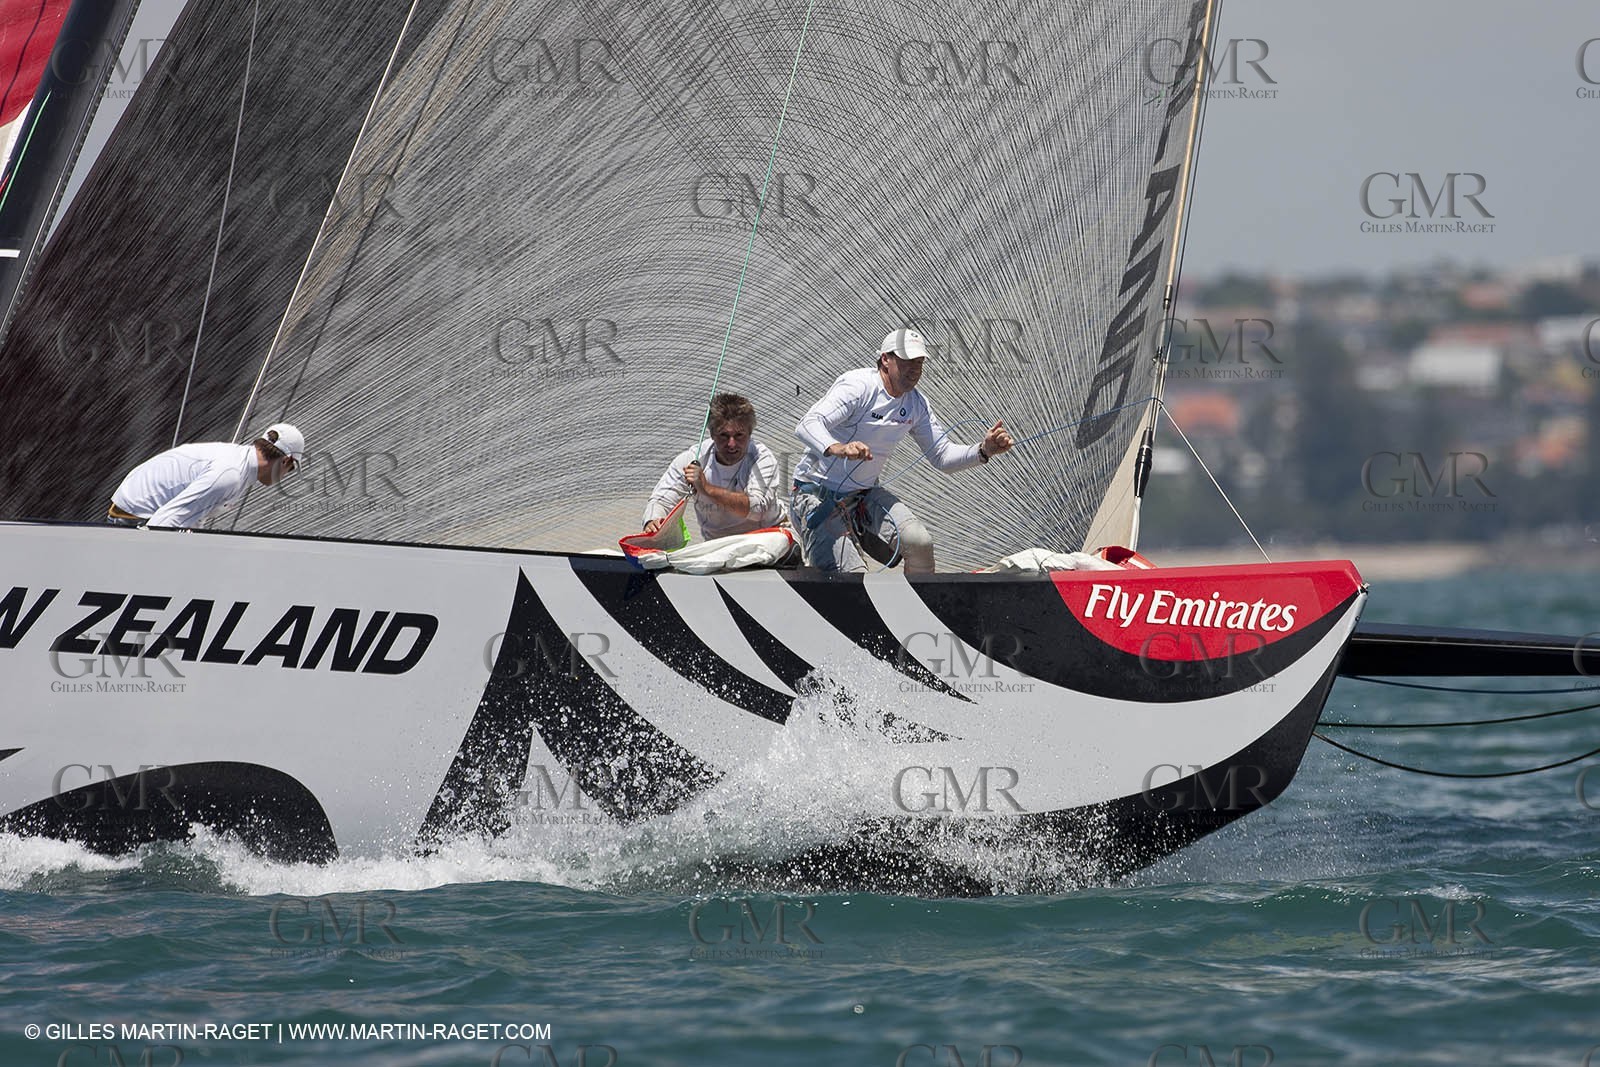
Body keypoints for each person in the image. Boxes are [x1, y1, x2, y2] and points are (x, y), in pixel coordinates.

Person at [791, 327, 1014, 574]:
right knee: (854, 580)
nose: (915, 369)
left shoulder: (916, 404)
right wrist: (840, 448)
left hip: (863, 496)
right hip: (816, 497)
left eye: (919, 362)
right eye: (907, 361)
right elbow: (808, 424)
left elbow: (942, 456)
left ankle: (921, 607)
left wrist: (984, 450)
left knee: (919, 542)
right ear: (886, 359)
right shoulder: (859, 386)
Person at [642, 393, 785, 542]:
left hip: (768, 537)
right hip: (718, 546)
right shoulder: (693, 459)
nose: (731, 444)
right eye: (724, 435)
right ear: (711, 434)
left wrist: (707, 488)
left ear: (750, 433)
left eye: (739, 435)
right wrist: (653, 521)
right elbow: (662, 500)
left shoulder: (761, 458)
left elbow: (756, 509)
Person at [107, 424, 306, 529]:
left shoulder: (237, 460)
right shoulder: (230, 476)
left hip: (133, 507)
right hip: (136, 517)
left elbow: (192, 516)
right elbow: (165, 521)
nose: (287, 475)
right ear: (286, 461)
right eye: (291, 469)